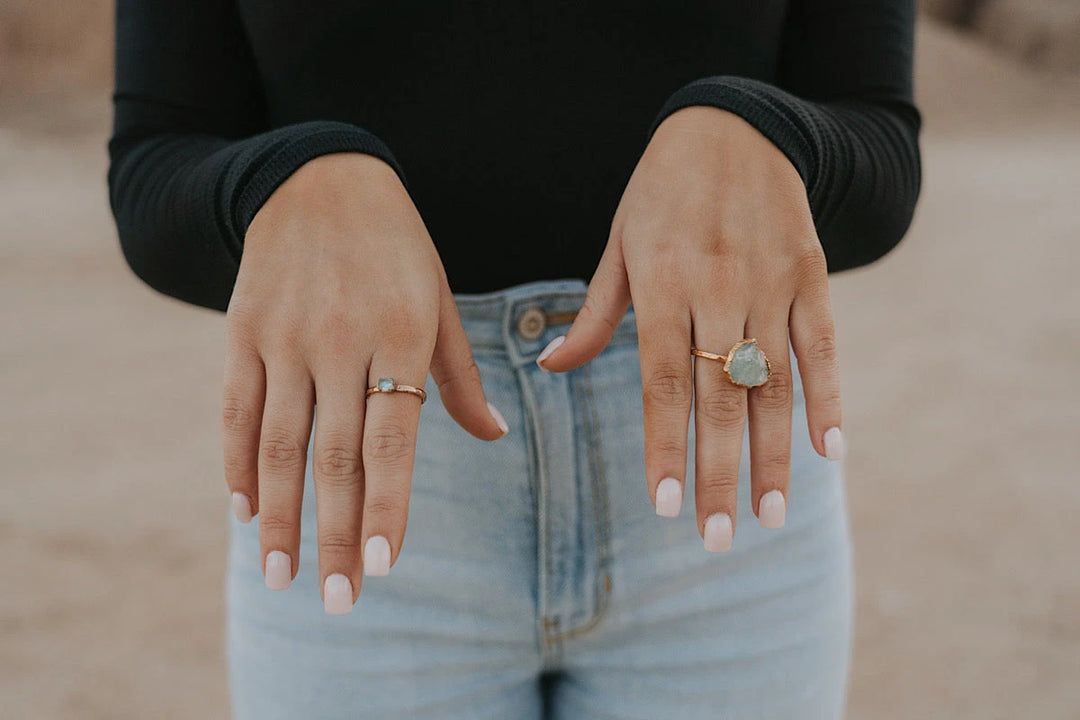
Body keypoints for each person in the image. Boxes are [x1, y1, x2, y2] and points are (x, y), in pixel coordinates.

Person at [107, 0, 921, 717]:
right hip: (364, 482)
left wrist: (766, 130)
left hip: (722, 466)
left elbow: (879, 129)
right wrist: (279, 179)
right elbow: (155, 157)